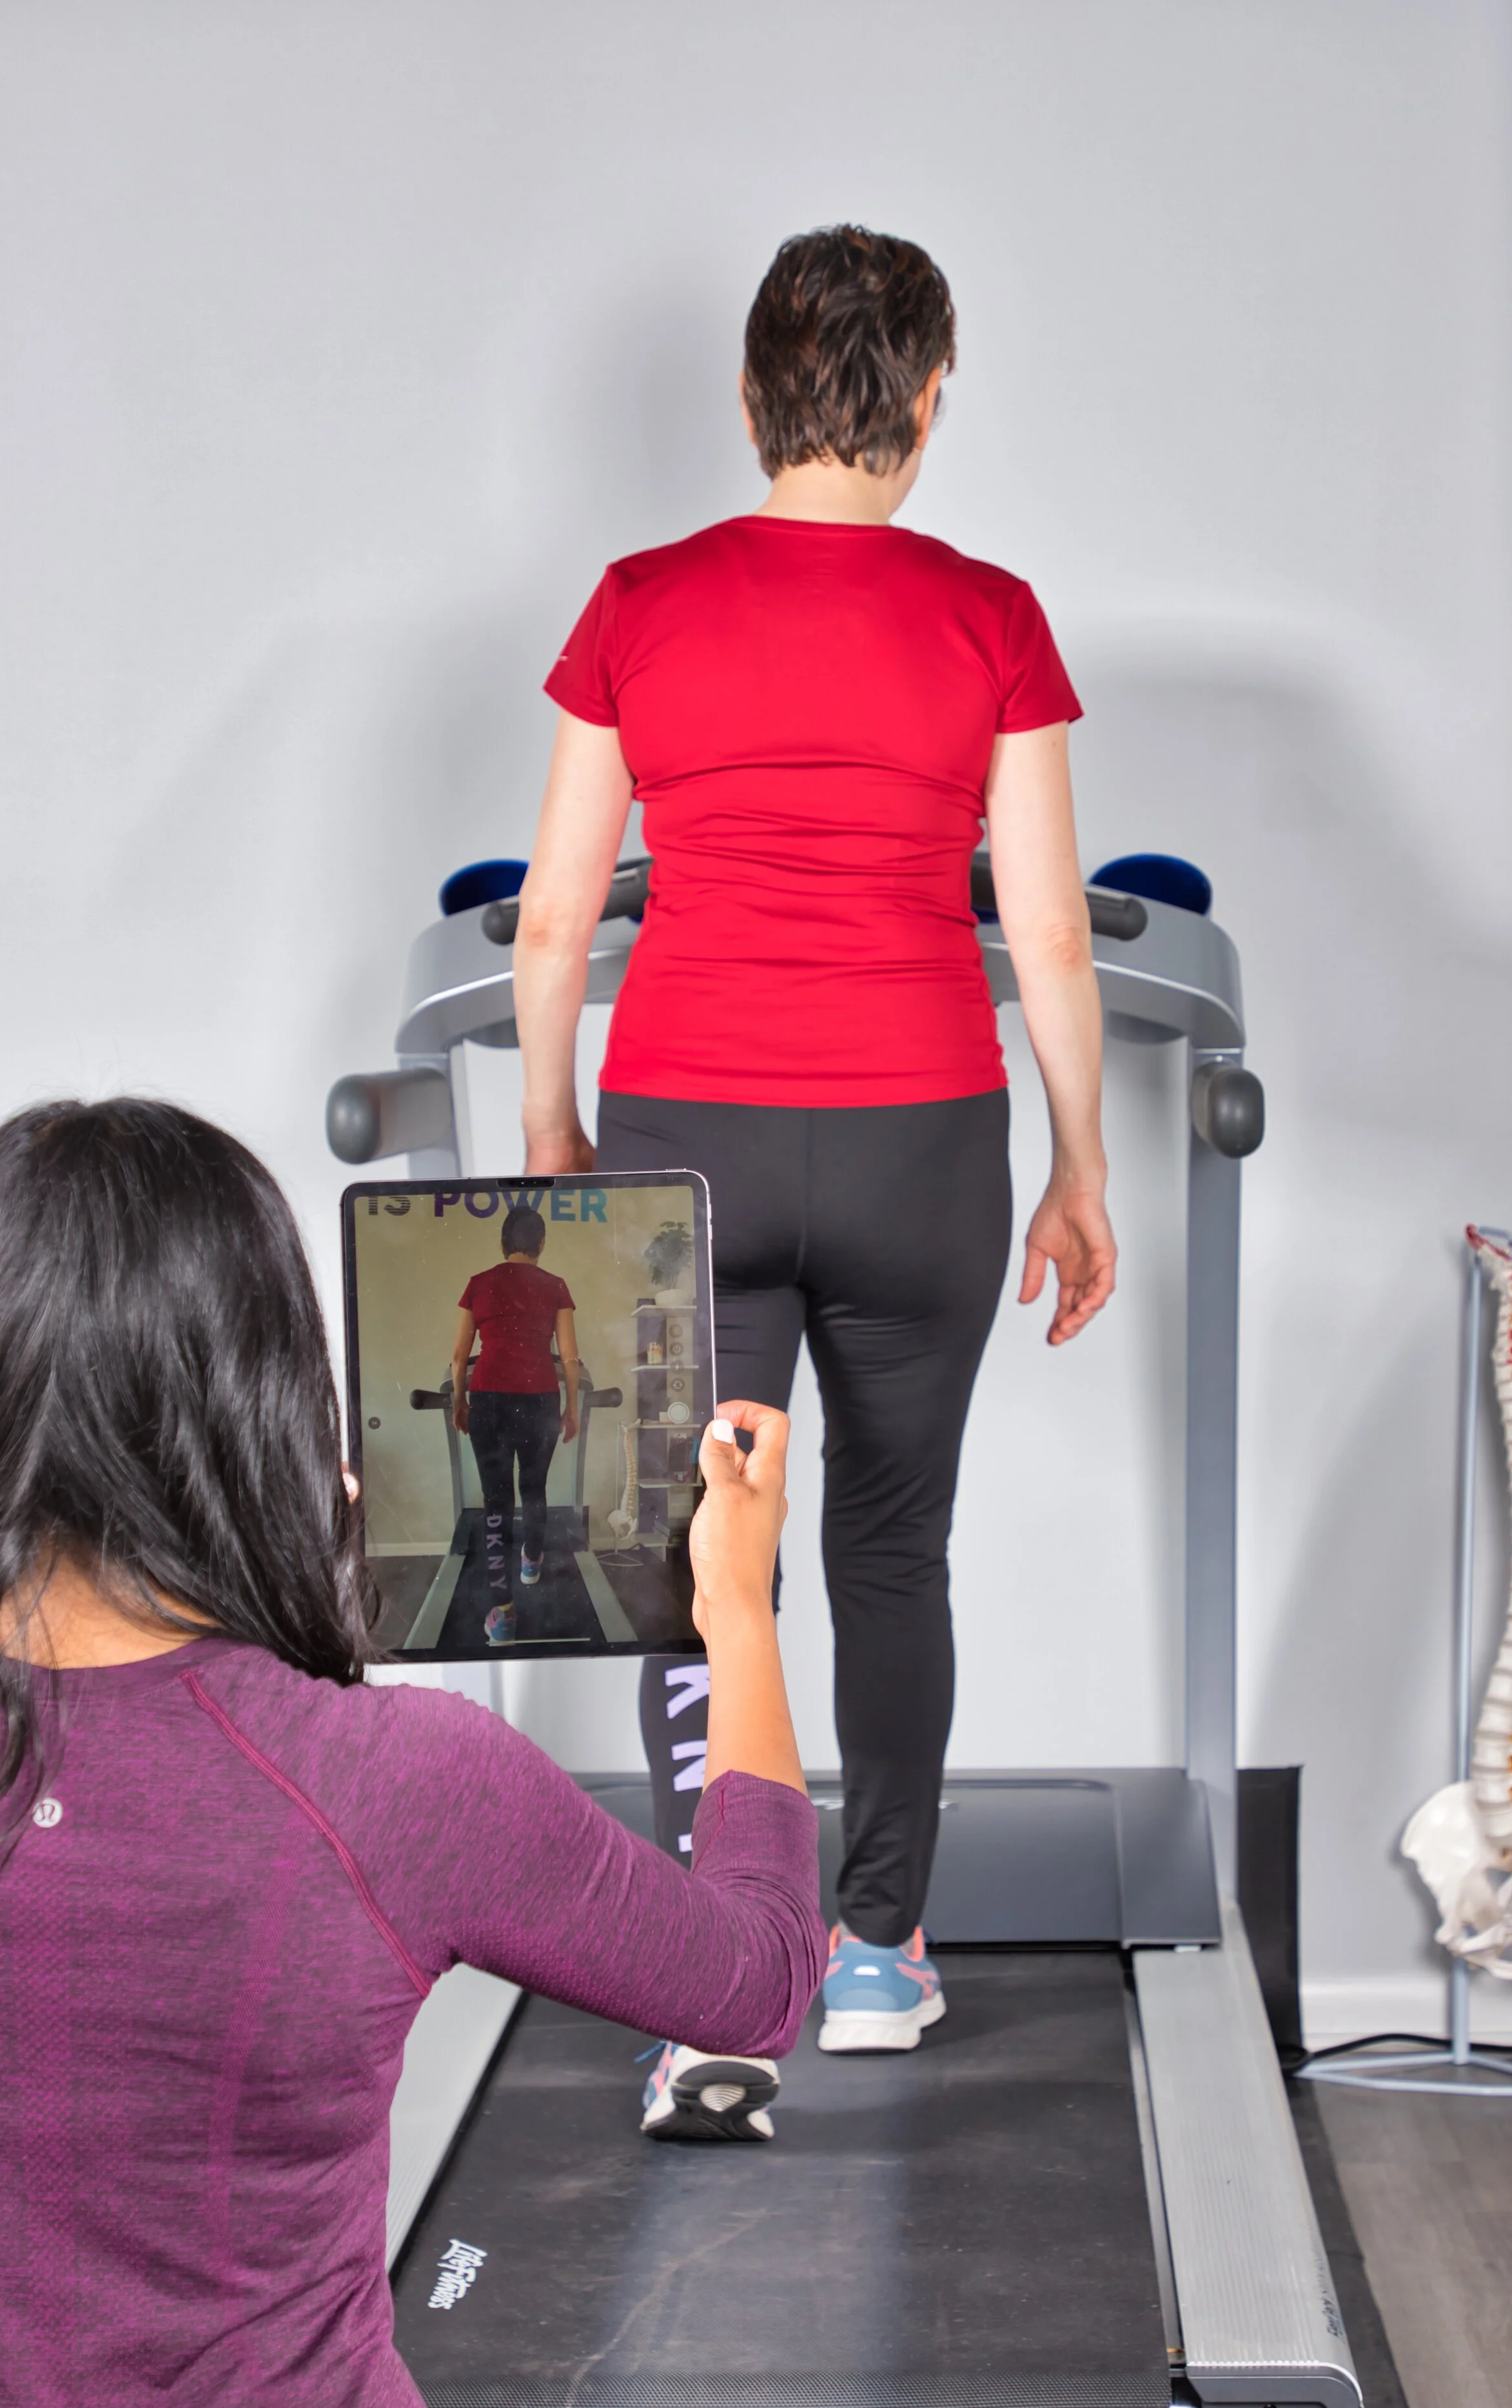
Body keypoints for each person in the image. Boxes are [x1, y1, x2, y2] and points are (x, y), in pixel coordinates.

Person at [0, 1099, 824, 2408]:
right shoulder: (402, 1780)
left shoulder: (366, 1770)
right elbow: (756, 1979)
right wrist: (738, 1614)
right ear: (264, 1390)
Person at [513, 227, 1116, 2097]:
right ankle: (871, 1953)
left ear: (752, 396)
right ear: (927, 397)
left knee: (708, 1558)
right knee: (887, 1553)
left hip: (686, 1133)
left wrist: (552, 1139)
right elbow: (1048, 939)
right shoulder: (990, 612)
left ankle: (716, 1964)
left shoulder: (636, 599)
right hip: (921, 1138)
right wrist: (1079, 1168)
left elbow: (550, 926)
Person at [451, 1203, 580, 1641]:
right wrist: (572, 1408)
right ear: (541, 1244)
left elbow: (457, 1357)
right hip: (540, 1397)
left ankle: (503, 1613)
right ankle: (532, 1559)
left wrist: (458, 1401)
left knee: (496, 1500)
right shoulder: (556, 1286)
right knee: (534, 1487)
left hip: (486, 1398)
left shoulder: (478, 1284)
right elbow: (569, 1357)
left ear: (503, 1243)